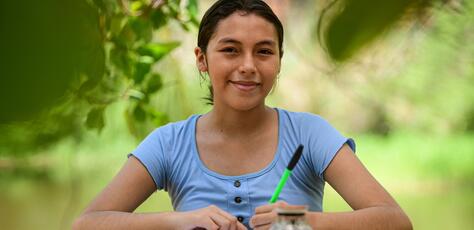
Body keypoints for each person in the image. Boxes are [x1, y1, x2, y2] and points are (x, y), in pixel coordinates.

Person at [73, 0, 413, 229]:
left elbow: (395, 221)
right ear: (202, 59)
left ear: (279, 61)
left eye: (264, 52)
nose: (248, 66)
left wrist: (298, 220)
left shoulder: (310, 134)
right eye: (230, 50)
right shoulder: (169, 144)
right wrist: (181, 221)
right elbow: (87, 223)